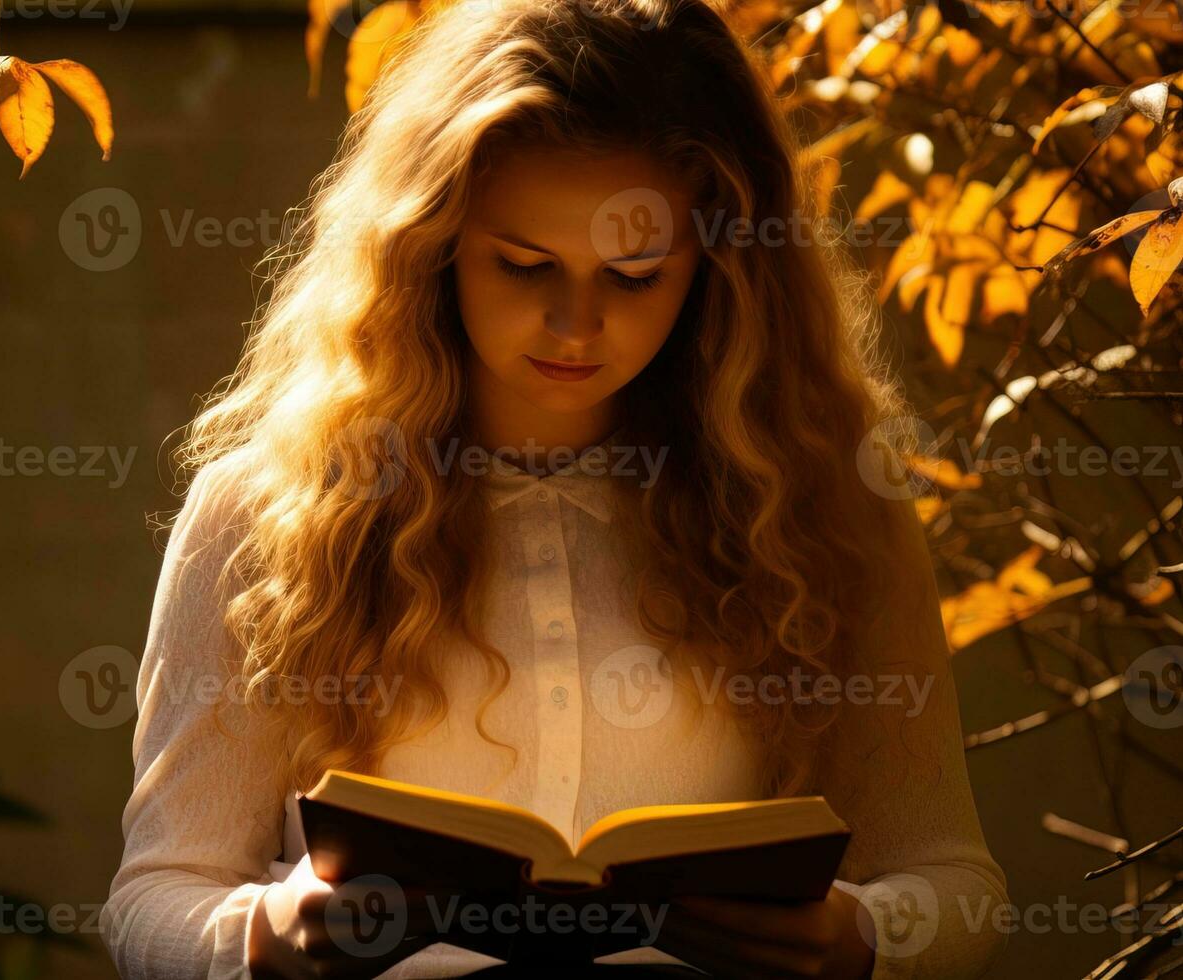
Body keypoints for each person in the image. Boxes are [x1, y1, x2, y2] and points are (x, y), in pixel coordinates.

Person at [103, 0, 1010, 976]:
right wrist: (258, 937)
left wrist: (861, 934)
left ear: (721, 267)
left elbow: (956, 881)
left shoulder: (825, 517)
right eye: (526, 264)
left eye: (634, 276)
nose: (575, 326)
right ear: (431, 241)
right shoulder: (266, 511)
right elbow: (155, 893)